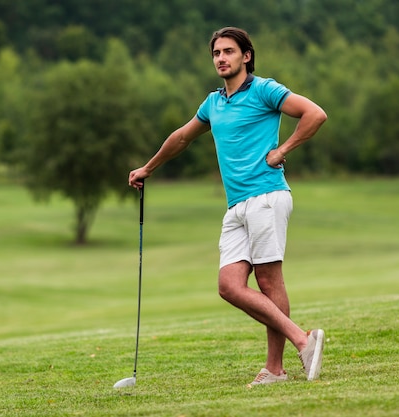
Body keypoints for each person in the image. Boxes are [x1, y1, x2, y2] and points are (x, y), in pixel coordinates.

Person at [128, 27, 328, 386]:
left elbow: (315, 114)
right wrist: (148, 168)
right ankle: (303, 339)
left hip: (267, 195)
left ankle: (279, 367)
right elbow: (181, 137)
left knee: (268, 280)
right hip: (236, 205)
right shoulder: (213, 103)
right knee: (228, 285)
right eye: (216, 53)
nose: (221, 58)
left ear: (245, 56)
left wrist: (282, 151)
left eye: (228, 51)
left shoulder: (265, 89)